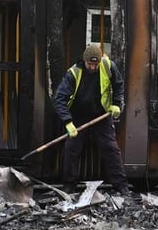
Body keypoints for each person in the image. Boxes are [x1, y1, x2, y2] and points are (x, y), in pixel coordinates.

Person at [52, 44, 131, 195]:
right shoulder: (73, 73)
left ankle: (121, 186)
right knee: (72, 149)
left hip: (101, 114)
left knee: (111, 148)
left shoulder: (108, 66)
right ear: (84, 61)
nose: (93, 68)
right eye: (90, 64)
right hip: (78, 115)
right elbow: (59, 99)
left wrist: (116, 103)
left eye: (96, 64)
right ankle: (69, 185)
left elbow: (119, 85)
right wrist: (68, 122)